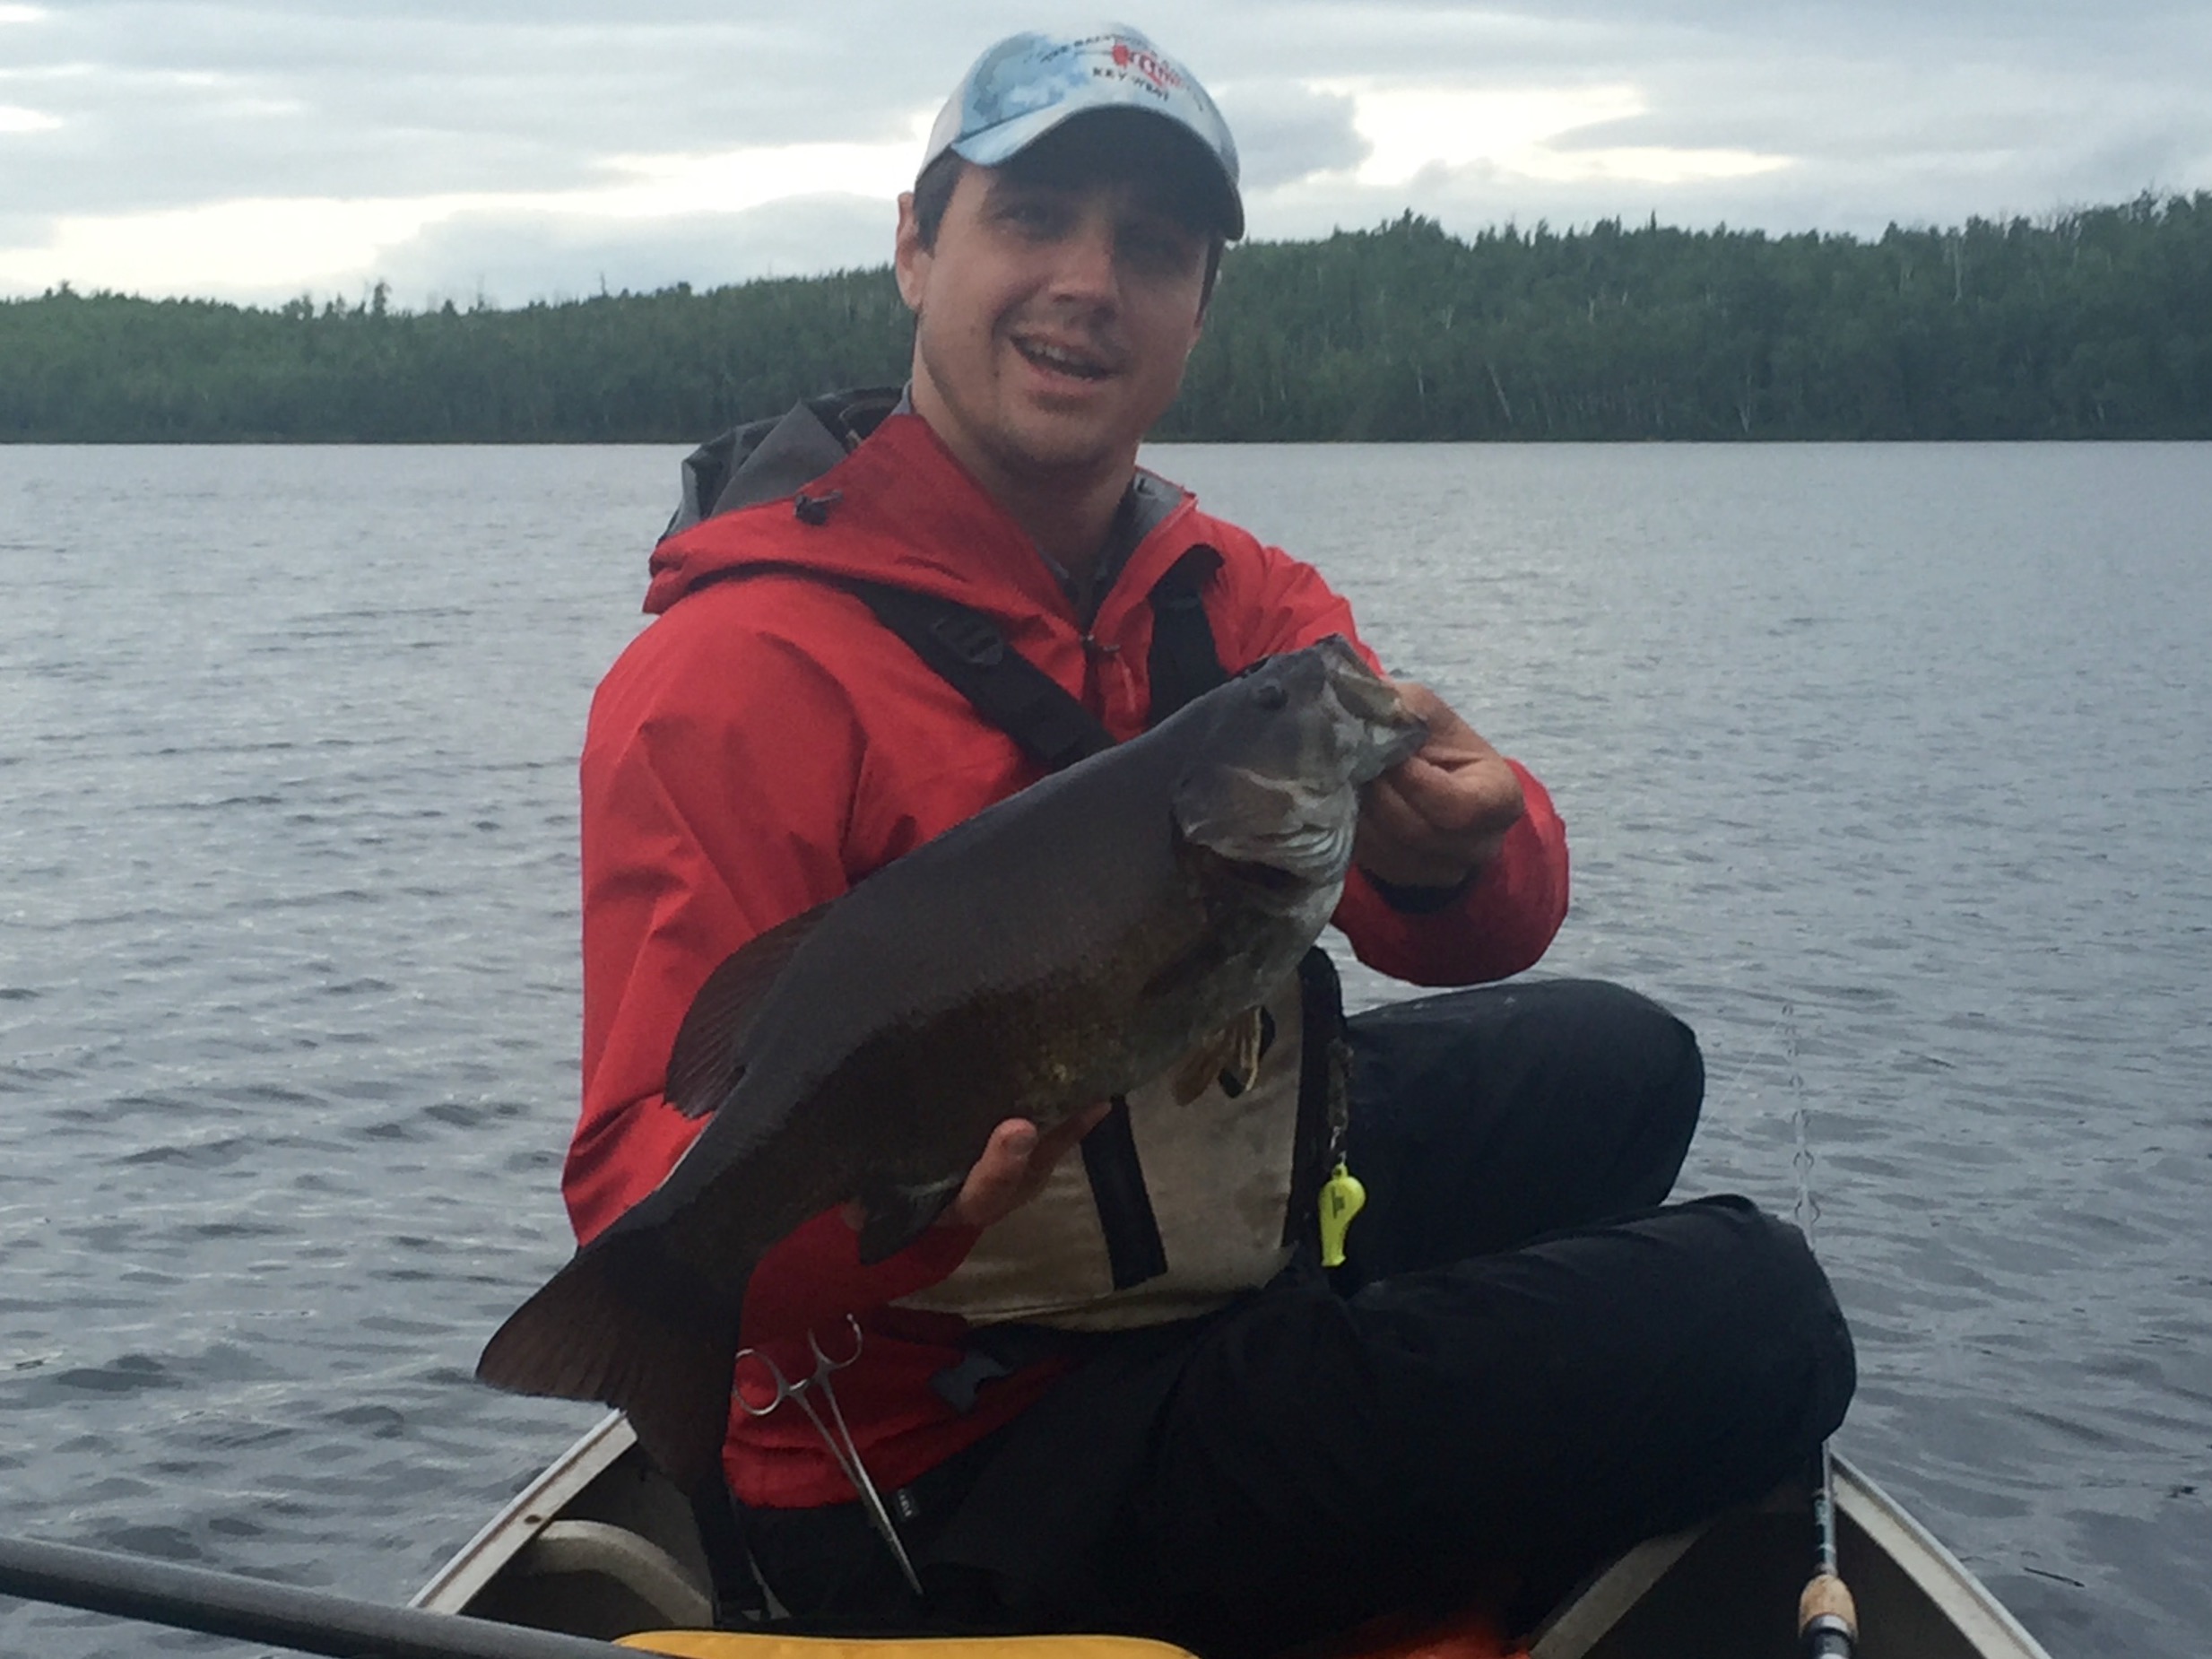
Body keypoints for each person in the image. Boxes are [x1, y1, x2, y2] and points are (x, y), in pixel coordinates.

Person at [562, 24, 1853, 1657]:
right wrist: (926, 1195)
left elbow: (1474, 920)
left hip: (1204, 1244)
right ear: (915, 242)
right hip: (959, 1461)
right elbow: (640, 1190)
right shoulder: (729, 677)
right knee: (1765, 1315)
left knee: (1630, 1060)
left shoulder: (1231, 603)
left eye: (1153, 247)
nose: (1089, 282)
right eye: (1033, 219)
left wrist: (1473, 843)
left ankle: (1370, 1417)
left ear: (1199, 306)